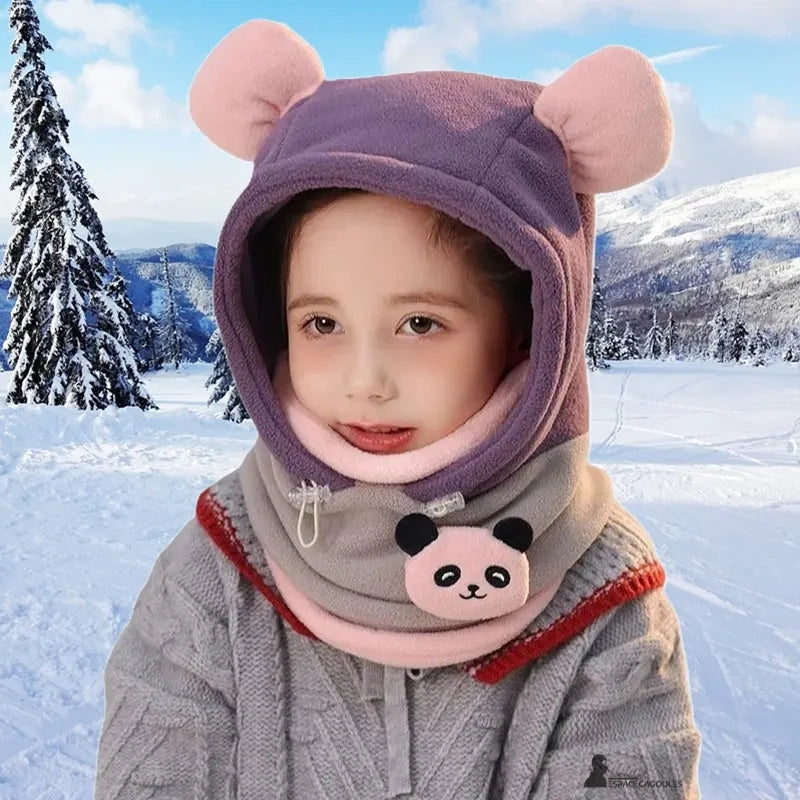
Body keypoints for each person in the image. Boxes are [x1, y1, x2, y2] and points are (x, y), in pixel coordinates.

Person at [93, 19, 701, 800]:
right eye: (321, 323)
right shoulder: (220, 567)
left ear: (528, 331)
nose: (364, 380)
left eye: (420, 323)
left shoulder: (602, 593)